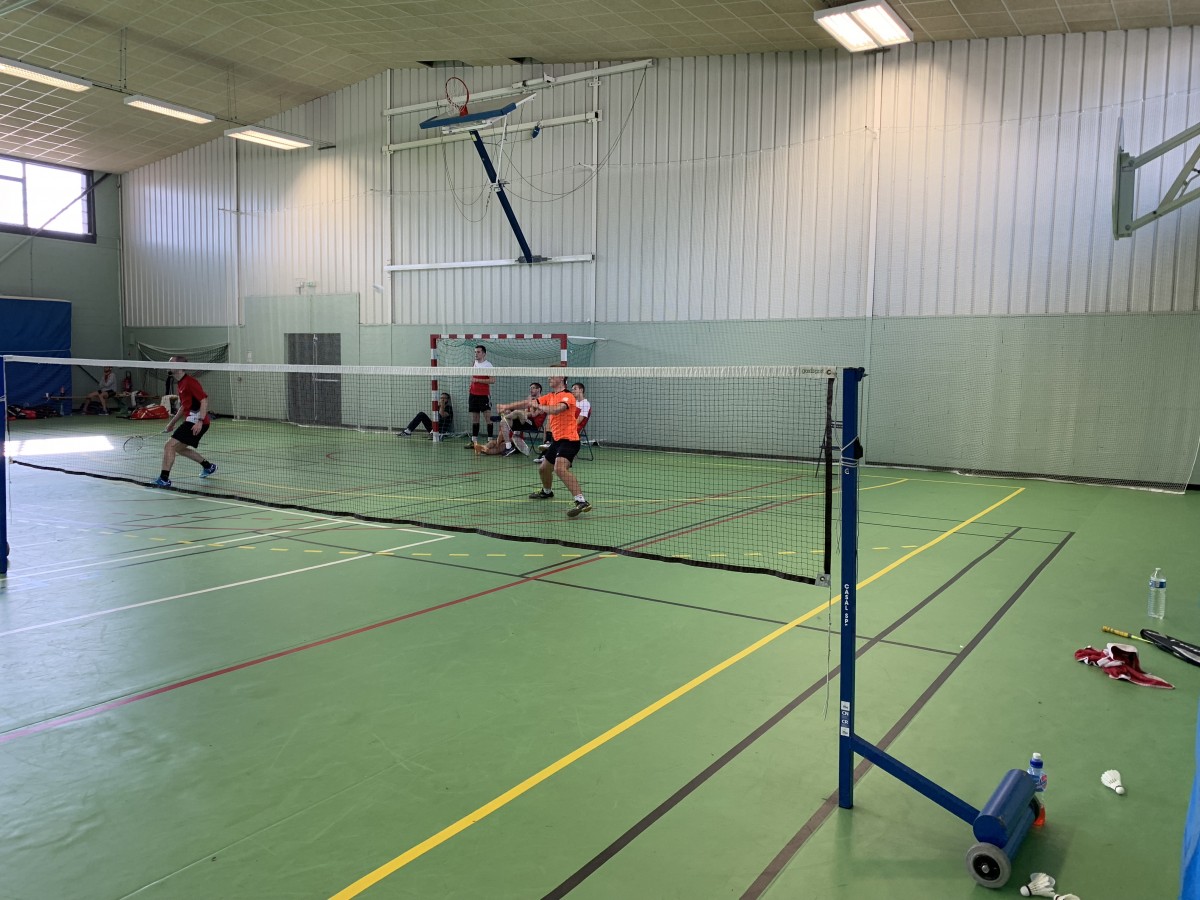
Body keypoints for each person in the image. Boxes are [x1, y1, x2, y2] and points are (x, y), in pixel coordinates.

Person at [526, 368, 590, 517]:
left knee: (559, 468)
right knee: (543, 469)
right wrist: (509, 407)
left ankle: (581, 501)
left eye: (552, 375)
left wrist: (539, 406)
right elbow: (533, 402)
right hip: (557, 440)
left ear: (561, 377)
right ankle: (547, 491)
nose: (549, 378)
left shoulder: (567, 396)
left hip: (570, 440)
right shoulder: (551, 396)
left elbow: (556, 410)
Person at [152, 356, 217, 487]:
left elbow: (204, 400)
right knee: (179, 448)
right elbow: (184, 406)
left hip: (197, 422)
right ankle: (208, 466)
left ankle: (164, 479)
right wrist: (172, 423)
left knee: (169, 446)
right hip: (191, 420)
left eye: (171, 363)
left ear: (180, 366)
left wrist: (200, 421)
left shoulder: (190, 382)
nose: (168, 365)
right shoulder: (181, 383)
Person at [466, 344, 495, 445]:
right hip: (473, 394)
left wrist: (477, 380)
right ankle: (474, 441)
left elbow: (492, 380)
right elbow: (472, 378)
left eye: (478, 352)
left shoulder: (488, 365)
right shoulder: (474, 363)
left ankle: (490, 441)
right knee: (475, 418)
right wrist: (472, 385)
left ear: (484, 354)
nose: (476, 354)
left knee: (488, 418)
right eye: (475, 352)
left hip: (484, 395)